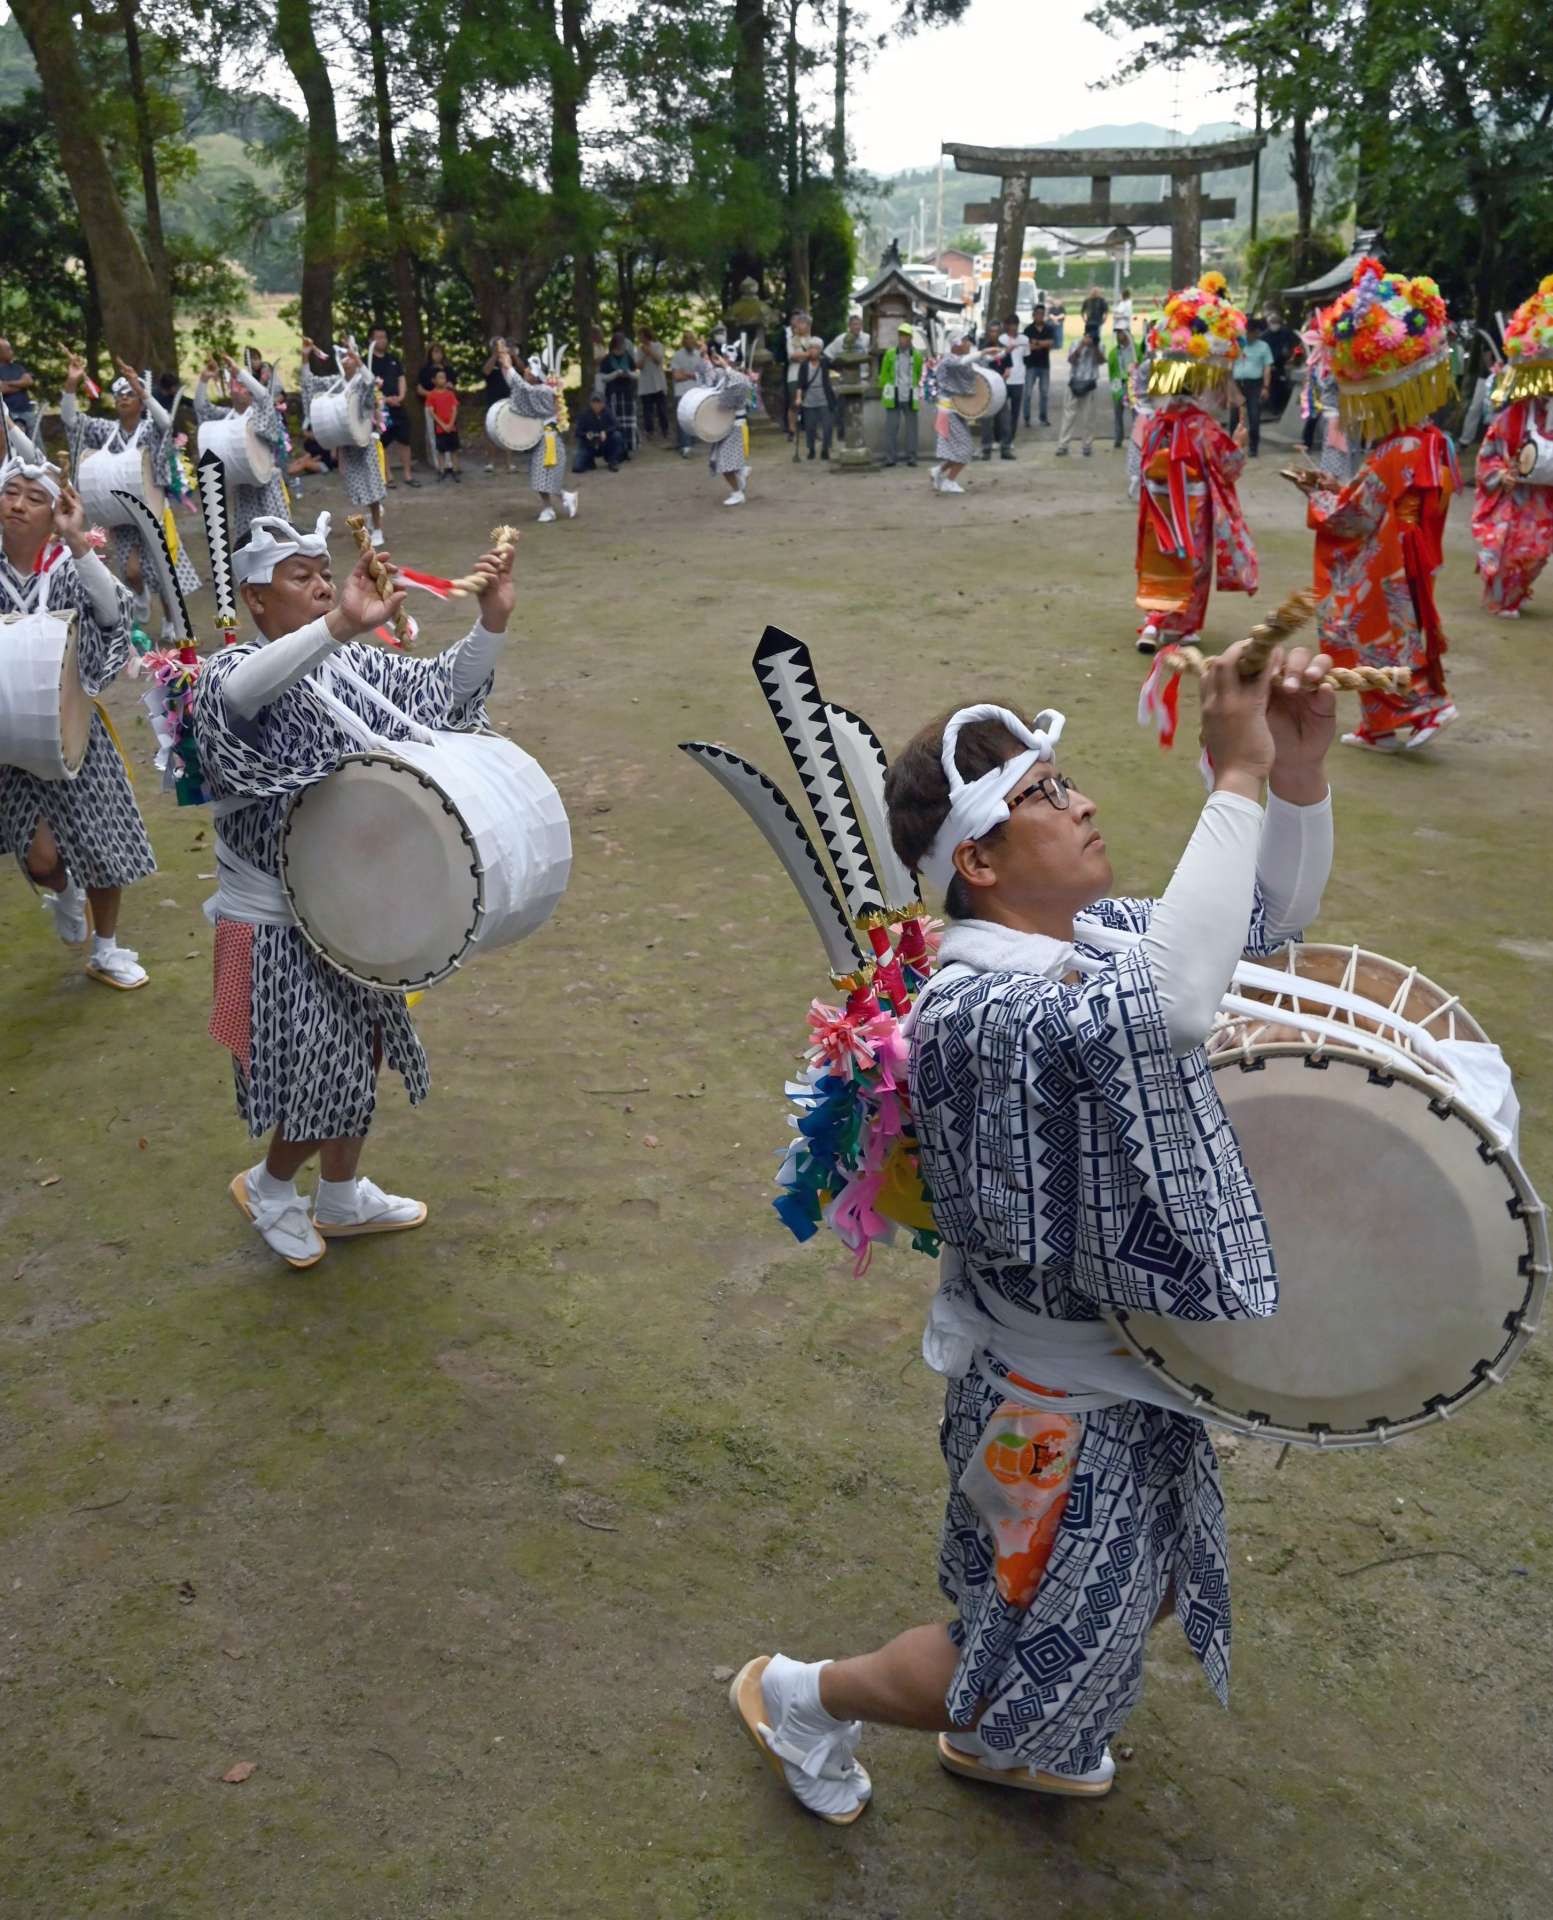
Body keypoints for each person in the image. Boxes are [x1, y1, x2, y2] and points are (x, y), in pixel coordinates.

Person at [731, 641, 1338, 1822]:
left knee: (1138, 1579)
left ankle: (1005, 1740)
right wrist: (1232, 775)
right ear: (979, 859)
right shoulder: (973, 1006)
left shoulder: (1087, 938)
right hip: (1048, 1406)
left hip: (1118, 1375)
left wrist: (1295, 776)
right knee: (997, 1654)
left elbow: (1253, 920)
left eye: (1063, 782)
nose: (1085, 801)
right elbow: (1176, 1001)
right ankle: (800, 1696)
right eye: (1044, 796)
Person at [191, 515, 516, 1268]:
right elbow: (242, 693)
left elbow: (438, 691)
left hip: (346, 908)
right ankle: (270, 1185)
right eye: (296, 576)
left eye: (319, 570)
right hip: (269, 921)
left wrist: (491, 623)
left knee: (361, 1050)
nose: (315, 582)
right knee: (322, 1066)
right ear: (255, 599)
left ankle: (337, 1196)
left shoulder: (349, 667)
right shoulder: (227, 674)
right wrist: (339, 621)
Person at [1287, 258, 1459, 753]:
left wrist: (1317, 495)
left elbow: (1353, 514)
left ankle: (1425, 706)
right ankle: (1378, 725)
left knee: (1374, 632)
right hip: (1408, 552)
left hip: (1387, 558)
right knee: (1395, 633)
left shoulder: (1393, 452)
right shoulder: (1429, 441)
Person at [0, 452, 156, 988]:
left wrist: (77, 542)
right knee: (42, 859)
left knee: (103, 844)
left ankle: (107, 950)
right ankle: (64, 889)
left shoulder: (69, 567)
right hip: (9, 742)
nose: (18, 504)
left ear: (55, 512)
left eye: (34, 497)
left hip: (72, 730)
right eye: (11, 492)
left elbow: (115, 617)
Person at [1132, 275, 1256, 655]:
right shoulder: (1204, 426)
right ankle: (1185, 628)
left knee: (1160, 559)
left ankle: (1153, 624)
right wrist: (1241, 445)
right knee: (1194, 564)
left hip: (1160, 503)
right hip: (1193, 506)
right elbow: (1229, 466)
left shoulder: (1156, 423)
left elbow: (1143, 460)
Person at [59, 356, 203, 637]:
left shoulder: (149, 430)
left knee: (164, 572)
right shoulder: (105, 431)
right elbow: (71, 420)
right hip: (120, 514)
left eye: (130, 395)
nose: (124, 399)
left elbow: (165, 422)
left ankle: (173, 621)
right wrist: (71, 384)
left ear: (138, 401)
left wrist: (142, 388)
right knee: (132, 572)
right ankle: (139, 595)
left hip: (152, 510)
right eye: (119, 395)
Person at [1470, 275, 1553, 618]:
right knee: (1510, 548)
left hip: (1543, 497)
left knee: (1537, 551)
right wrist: (1499, 474)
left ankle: (1515, 593)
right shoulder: (1515, 416)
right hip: (1516, 495)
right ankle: (1503, 597)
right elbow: (1487, 453)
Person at [300, 339, 388, 543]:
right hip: (348, 444)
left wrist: (358, 361)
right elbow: (308, 384)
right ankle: (371, 517)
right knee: (357, 489)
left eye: (350, 357)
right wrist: (305, 357)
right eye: (344, 358)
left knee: (372, 489)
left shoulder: (360, 381)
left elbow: (370, 382)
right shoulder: (335, 383)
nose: (346, 361)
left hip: (365, 442)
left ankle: (377, 528)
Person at [194, 351, 290, 536]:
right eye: (235, 383)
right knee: (249, 543)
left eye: (243, 385)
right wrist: (204, 380)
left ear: (250, 391)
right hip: (242, 491)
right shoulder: (226, 417)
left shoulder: (261, 414)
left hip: (266, 488)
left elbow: (264, 397)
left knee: (278, 539)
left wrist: (239, 372)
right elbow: (200, 408)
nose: (237, 387)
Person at [493, 347, 579, 523]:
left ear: (536, 375)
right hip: (543, 438)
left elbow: (522, 388)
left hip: (549, 439)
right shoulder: (538, 389)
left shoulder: (544, 391)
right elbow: (518, 387)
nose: (524, 372)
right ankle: (563, 498)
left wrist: (509, 367)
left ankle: (551, 507)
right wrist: (505, 366)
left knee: (543, 475)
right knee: (540, 475)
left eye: (527, 371)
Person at [690, 343, 754, 505]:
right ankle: (741, 471)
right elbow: (706, 377)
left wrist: (726, 366)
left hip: (735, 426)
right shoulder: (724, 374)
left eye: (724, 357)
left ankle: (738, 491)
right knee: (720, 461)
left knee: (724, 464)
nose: (721, 360)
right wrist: (703, 357)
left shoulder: (740, 377)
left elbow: (738, 386)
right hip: (725, 426)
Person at [366, 327, 417, 488]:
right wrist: (385, 399)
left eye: (384, 337)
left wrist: (401, 396)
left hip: (398, 404)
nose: (382, 340)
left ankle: (408, 475)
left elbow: (401, 378)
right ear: (371, 340)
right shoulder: (367, 362)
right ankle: (387, 475)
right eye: (378, 337)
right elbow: (367, 387)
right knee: (383, 442)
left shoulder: (393, 359)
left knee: (404, 439)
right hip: (380, 409)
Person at [931, 334, 981, 495]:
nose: (968, 344)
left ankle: (938, 471)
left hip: (956, 409)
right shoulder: (949, 360)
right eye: (965, 341)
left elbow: (977, 365)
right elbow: (963, 361)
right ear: (956, 344)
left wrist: (1000, 353)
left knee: (958, 448)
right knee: (965, 448)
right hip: (948, 410)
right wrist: (984, 351)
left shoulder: (959, 360)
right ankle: (949, 481)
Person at [1055, 326, 1104, 457]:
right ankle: (1063, 445)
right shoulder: (1076, 343)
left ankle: (1087, 445)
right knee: (1068, 416)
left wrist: (1094, 347)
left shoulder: (1100, 344)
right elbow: (1071, 360)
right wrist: (1082, 346)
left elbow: (1101, 361)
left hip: (1090, 384)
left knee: (1089, 417)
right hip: (1074, 382)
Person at [879, 322, 923, 468]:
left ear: (910, 338)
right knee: (891, 427)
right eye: (900, 336)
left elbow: (919, 373)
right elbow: (884, 374)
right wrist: (885, 389)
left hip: (910, 395)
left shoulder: (917, 355)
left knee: (912, 428)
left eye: (905, 336)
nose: (902, 339)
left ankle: (912, 457)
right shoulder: (890, 353)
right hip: (894, 395)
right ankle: (890, 457)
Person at [1229, 316, 1274, 457]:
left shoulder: (1263, 346)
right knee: (1234, 417)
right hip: (1237, 384)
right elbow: (1229, 366)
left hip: (1255, 385)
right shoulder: (1236, 346)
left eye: (1249, 332)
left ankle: (1254, 447)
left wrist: (1266, 387)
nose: (1246, 334)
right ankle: (1233, 447)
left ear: (1256, 332)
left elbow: (1267, 367)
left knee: (1254, 416)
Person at [977, 330, 1016, 462]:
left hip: (1001, 388)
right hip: (986, 389)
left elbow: (1008, 366)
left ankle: (1005, 448)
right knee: (986, 421)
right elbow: (985, 361)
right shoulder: (982, 348)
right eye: (991, 331)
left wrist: (1006, 373)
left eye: (996, 331)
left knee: (1005, 419)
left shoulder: (1002, 347)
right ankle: (986, 449)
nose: (993, 333)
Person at [481, 344, 520, 476]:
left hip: (508, 400)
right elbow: (485, 371)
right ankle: (491, 462)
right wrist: (495, 356)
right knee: (490, 432)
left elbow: (522, 369)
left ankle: (510, 463)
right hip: (492, 401)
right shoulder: (490, 362)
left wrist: (513, 355)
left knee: (507, 432)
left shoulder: (509, 363)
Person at [417, 343, 457, 467]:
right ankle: (438, 463)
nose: (438, 355)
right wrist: (435, 395)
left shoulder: (448, 369)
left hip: (447, 406)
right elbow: (420, 389)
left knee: (449, 431)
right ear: (430, 354)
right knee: (433, 433)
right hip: (432, 405)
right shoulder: (425, 370)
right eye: (435, 352)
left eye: (440, 352)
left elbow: (453, 387)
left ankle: (450, 463)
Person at [795, 340, 836, 460]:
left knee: (827, 426)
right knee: (810, 426)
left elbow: (837, 365)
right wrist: (798, 398)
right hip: (809, 399)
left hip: (824, 397)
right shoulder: (804, 365)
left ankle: (825, 449)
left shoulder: (824, 362)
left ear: (820, 350)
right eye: (811, 348)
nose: (814, 350)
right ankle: (811, 449)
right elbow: (800, 383)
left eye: (817, 348)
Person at [600, 333, 639, 459]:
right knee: (615, 423)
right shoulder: (607, 359)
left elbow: (636, 373)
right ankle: (616, 450)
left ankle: (627, 449)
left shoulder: (628, 358)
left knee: (628, 425)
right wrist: (615, 374)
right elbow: (603, 377)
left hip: (627, 394)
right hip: (613, 394)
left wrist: (629, 374)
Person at [670, 331, 706, 456]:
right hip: (681, 391)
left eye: (691, 338)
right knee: (683, 417)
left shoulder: (698, 356)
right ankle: (685, 446)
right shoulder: (677, 356)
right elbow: (677, 376)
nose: (689, 341)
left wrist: (686, 374)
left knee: (693, 418)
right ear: (683, 341)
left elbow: (703, 374)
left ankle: (690, 443)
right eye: (686, 338)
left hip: (695, 392)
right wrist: (692, 375)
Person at [1021, 304, 1058, 427]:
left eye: (1042, 314)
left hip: (1044, 365)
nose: (1040, 316)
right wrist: (1042, 344)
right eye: (1037, 314)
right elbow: (1027, 347)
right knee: (1027, 393)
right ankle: (1026, 418)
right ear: (1033, 315)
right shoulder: (1028, 330)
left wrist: (1036, 342)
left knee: (1044, 393)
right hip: (1031, 365)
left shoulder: (1049, 328)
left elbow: (1051, 343)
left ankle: (1043, 417)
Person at [425, 368, 463, 481]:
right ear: (434, 380)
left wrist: (451, 423)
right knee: (440, 450)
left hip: (452, 427)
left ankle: (456, 470)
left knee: (454, 449)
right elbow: (431, 412)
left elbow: (455, 408)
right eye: (440, 377)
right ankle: (441, 470)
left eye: (444, 377)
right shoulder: (431, 395)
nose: (443, 380)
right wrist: (442, 424)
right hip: (440, 428)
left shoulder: (450, 394)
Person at [0, 337, 40, 445]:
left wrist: (8, 383)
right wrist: (20, 384)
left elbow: (28, 381)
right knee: (14, 445)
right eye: (8, 349)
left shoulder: (18, 367)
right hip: (7, 417)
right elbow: (2, 389)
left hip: (26, 411)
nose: (11, 352)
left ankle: (40, 461)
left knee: (36, 443)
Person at [1262, 310, 1300, 418]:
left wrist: (1293, 356)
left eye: (1276, 322)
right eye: (1272, 322)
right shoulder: (1264, 336)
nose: (1274, 324)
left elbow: (1296, 344)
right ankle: (1274, 408)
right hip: (1270, 365)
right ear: (1268, 324)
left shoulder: (1286, 332)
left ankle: (1280, 407)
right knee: (1273, 386)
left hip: (1283, 364)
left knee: (1281, 386)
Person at [573, 392, 625, 472]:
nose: (596, 405)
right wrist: (586, 434)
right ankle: (589, 461)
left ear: (603, 403)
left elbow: (617, 425)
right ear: (590, 403)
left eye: (599, 402)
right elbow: (577, 432)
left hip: (604, 443)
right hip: (589, 444)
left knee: (617, 436)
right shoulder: (584, 414)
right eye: (594, 402)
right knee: (577, 468)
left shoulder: (608, 412)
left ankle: (613, 461)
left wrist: (605, 432)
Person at [635, 328, 670, 443]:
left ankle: (665, 430)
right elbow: (638, 366)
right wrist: (644, 355)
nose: (639, 338)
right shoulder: (638, 349)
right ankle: (649, 431)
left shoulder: (657, 345)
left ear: (646, 336)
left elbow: (659, 360)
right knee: (647, 411)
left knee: (662, 409)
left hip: (658, 383)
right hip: (646, 384)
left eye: (641, 335)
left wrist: (649, 351)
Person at [783, 310, 812, 439]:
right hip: (794, 375)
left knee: (810, 402)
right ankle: (791, 429)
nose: (800, 326)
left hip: (809, 374)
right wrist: (807, 355)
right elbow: (792, 356)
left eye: (803, 323)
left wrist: (803, 356)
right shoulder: (791, 341)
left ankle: (810, 428)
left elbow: (815, 355)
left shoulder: (812, 340)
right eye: (799, 323)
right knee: (794, 403)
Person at [1107, 325, 1137, 451]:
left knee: (1135, 413)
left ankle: (1136, 438)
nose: (1119, 336)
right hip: (1118, 384)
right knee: (1117, 413)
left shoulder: (1135, 350)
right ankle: (1118, 438)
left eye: (1121, 333)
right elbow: (1111, 370)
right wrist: (1114, 387)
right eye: (1117, 334)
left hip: (1132, 382)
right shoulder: (1113, 352)